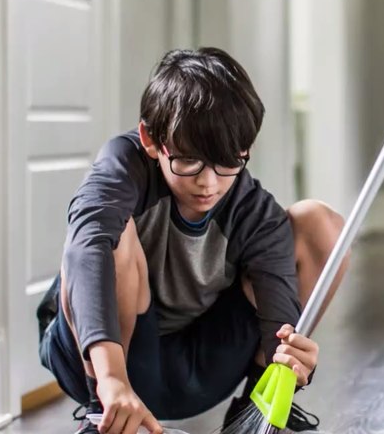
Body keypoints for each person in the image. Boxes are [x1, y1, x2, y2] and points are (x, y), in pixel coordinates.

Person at [37, 47, 348, 434]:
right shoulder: (124, 165)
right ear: (151, 139)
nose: (208, 182)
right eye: (188, 160)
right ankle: (104, 412)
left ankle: (257, 412)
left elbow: (280, 325)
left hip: (198, 371)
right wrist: (111, 379)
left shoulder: (254, 212)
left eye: (226, 162)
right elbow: (86, 247)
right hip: (105, 363)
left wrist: (289, 361)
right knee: (104, 235)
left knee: (322, 224)